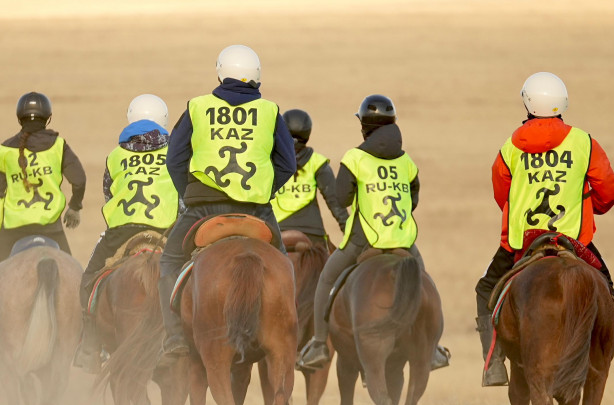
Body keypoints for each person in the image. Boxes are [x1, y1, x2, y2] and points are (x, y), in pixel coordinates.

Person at [475, 72, 614, 387]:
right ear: (563, 103)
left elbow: (502, 195)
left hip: (523, 244)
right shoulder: (584, 143)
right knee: (606, 290)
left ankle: (494, 363)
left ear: (527, 103)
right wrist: (591, 207)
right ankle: (602, 351)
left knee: (486, 289)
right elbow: (609, 191)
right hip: (574, 242)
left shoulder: (510, 147)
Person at [157, 44, 297, 360]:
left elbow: (175, 160)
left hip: (203, 208)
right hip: (256, 209)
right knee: (284, 268)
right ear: (257, 76)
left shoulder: (197, 107)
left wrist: (189, 196)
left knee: (168, 262)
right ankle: (287, 335)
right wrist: (264, 190)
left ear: (220, 73)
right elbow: (287, 164)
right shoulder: (270, 111)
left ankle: (175, 336)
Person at [297, 95, 450, 372]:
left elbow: (342, 198)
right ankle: (434, 349)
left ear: (364, 127)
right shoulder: (406, 161)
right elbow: (413, 199)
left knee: (327, 278)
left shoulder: (355, 158)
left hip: (363, 239)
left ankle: (318, 344)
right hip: (403, 240)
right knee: (424, 281)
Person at [0, 92, 86, 369]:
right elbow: (80, 179)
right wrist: (74, 207)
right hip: (52, 230)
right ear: (48, 118)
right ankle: (86, 344)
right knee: (77, 283)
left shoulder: (5, 150)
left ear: (19, 117)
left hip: (13, 230)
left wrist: (12, 209)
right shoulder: (59, 146)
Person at [74, 94, 178, 368]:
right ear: (164, 120)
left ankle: (90, 346)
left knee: (89, 280)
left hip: (121, 232)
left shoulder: (115, 156)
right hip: (165, 230)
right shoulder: (175, 152)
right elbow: (183, 197)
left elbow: (109, 194)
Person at [271, 109, 349, 243]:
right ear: (308, 133)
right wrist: (350, 235)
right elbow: (335, 204)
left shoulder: (270, 160)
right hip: (312, 233)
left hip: (276, 231)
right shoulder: (317, 162)